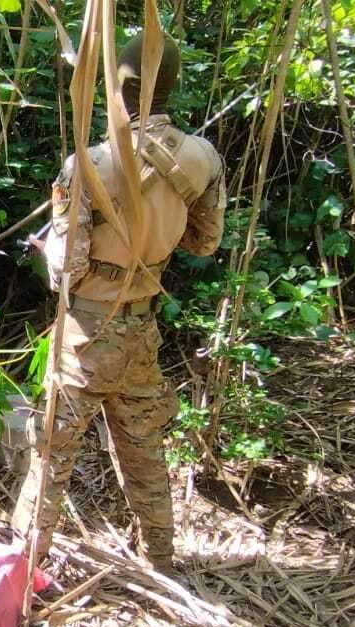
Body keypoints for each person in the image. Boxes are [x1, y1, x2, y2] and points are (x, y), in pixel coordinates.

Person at [13, 33, 226, 573]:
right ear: (171, 86)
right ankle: (161, 561)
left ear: (118, 86)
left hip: (86, 335)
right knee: (144, 451)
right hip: (141, 334)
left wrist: (48, 250)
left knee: (51, 457)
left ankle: (19, 571)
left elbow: (69, 270)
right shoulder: (203, 158)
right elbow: (204, 243)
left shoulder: (88, 163)